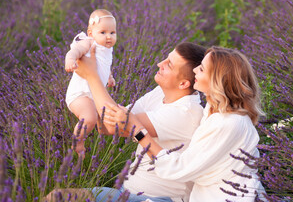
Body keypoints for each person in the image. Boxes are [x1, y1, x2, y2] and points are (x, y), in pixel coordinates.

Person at [47, 42, 207, 202]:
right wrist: (95, 77)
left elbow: (112, 125)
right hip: (127, 191)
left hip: (157, 199)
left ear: (183, 84)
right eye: (166, 59)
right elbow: (105, 125)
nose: (160, 64)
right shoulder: (161, 93)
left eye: (169, 65)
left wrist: (92, 76)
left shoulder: (186, 112)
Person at [104, 46, 267, 201]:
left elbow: (179, 168)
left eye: (202, 69)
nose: (195, 70)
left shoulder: (229, 123)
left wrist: (137, 129)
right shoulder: (214, 109)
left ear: (217, 81)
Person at [64, 9, 117, 156]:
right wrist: (70, 60)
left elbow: (104, 64)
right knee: (89, 118)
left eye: (112, 33)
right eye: (103, 32)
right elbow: (74, 51)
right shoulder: (88, 43)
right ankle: (78, 142)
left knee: (108, 119)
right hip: (80, 94)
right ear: (91, 33)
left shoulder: (108, 49)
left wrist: (109, 77)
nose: (108, 37)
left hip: (94, 93)